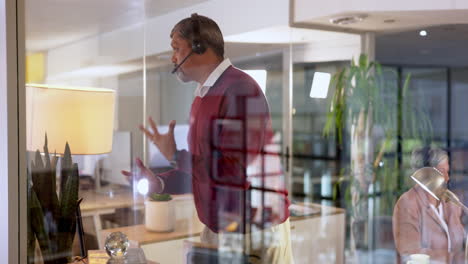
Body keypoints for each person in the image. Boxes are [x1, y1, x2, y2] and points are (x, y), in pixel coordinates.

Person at [123, 13, 293, 263]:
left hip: (254, 230)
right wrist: (159, 182)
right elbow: (202, 171)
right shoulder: (203, 95)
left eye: (176, 49)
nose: (173, 58)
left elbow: (234, 172)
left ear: (200, 48)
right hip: (221, 227)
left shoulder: (240, 89)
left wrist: (176, 155)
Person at [393, 147, 466, 263]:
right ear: (426, 174)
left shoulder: (449, 203)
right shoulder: (407, 203)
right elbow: (410, 253)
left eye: (448, 171)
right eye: (442, 172)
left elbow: (461, 241)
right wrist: (453, 257)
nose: (447, 178)